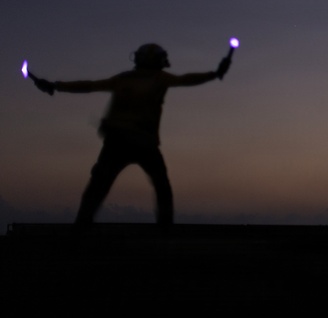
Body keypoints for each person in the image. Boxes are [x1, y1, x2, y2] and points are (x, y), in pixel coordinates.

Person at [32, 43, 231, 228]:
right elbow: (187, 80)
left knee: (98, 187)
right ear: (158, 60)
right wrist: (214, 74)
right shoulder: (160, 79)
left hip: (117, 142)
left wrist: (55, 86)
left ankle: (81, 227)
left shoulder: (123, 79)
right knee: (162, 187)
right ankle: (166, 232)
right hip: (144, 143)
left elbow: (89, 85)